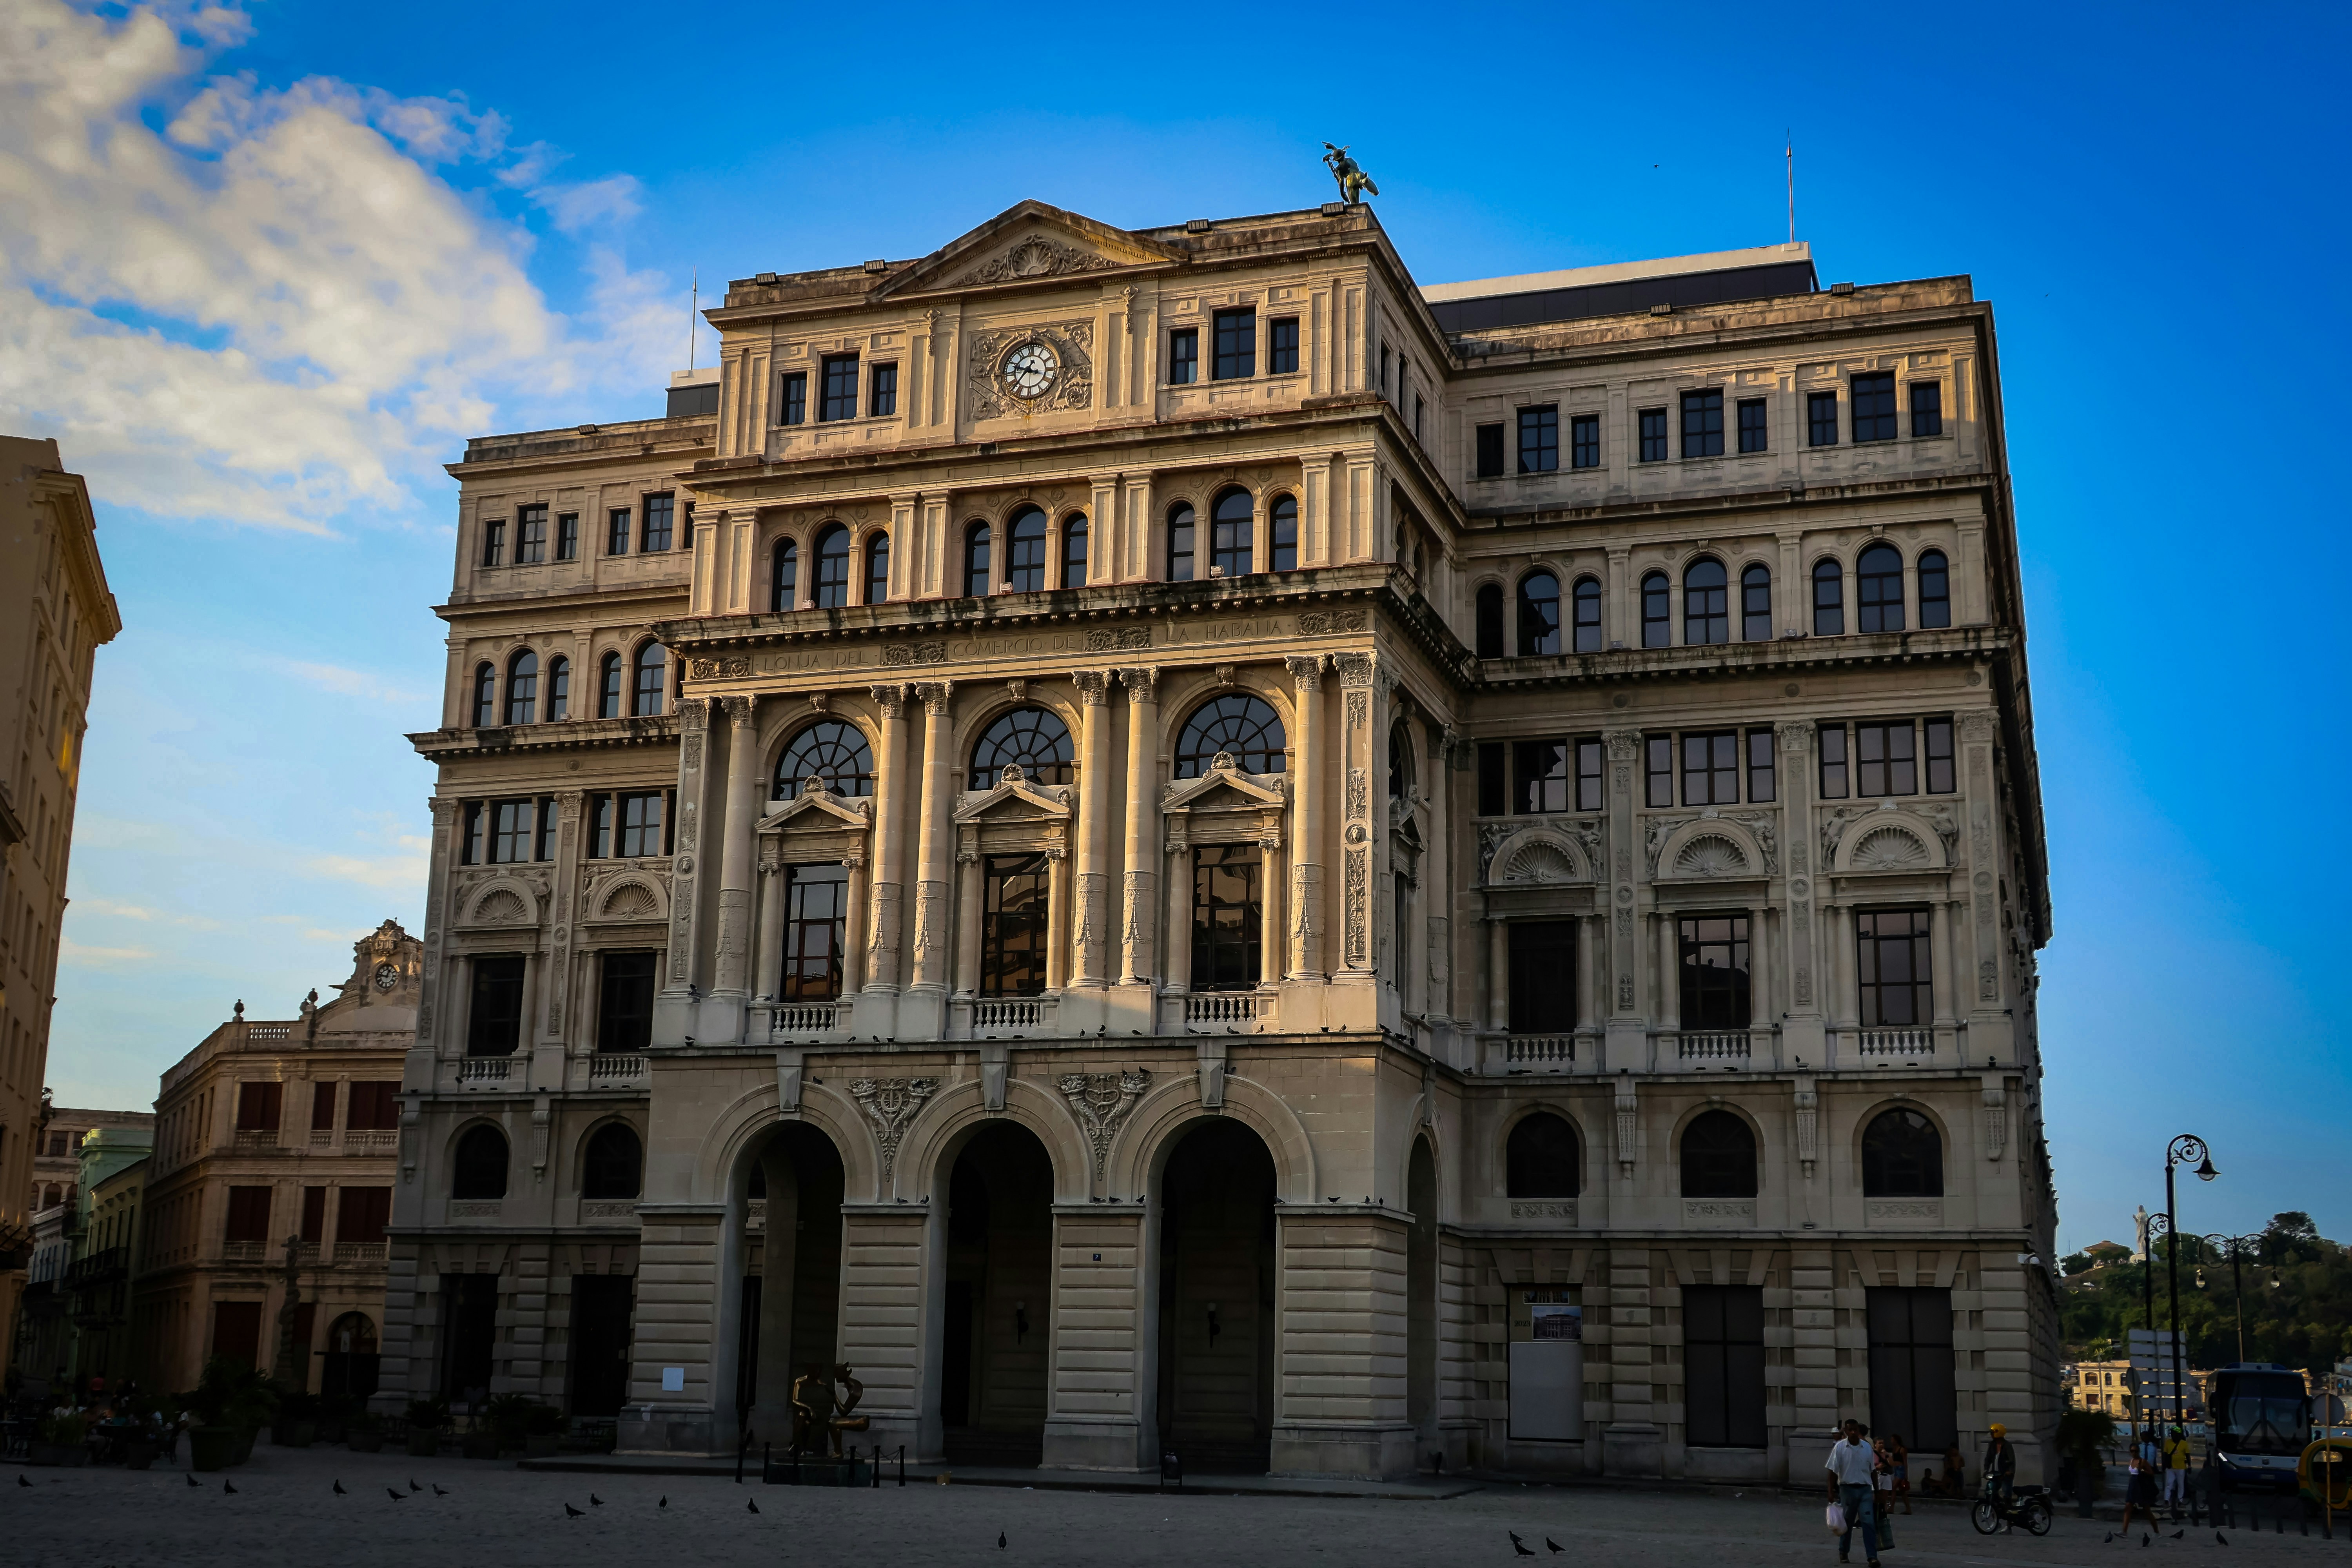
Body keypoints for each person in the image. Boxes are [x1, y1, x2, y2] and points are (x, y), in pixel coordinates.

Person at [1826, 1418, 1882, 1567]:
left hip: (1865, 1490)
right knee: (1847, 1523)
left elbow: (1873, 1471)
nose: (1853, 1432)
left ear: (1859, 1431)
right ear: (1845, 1431)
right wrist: (1830, 1491)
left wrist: (1877, 1491)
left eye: (1855, 1430)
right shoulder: (1839, 1448)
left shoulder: (1867, 1448)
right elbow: (1832, 1471)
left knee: (1869, 1523)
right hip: (1847, 1489)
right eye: (1850, 1430)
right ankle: (1844, 1551)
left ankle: (1872, 1557)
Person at [1983, 1423, 2018, 1528]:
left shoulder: (2007, 1446)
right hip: (1995, 1474)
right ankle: (1996, 1519)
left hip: (2005, 1475)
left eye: (1993, 1433)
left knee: (2007, 1497)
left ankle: (2010, 1523)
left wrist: (2010, 1471)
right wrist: (1986, 1470)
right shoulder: (1992, 1445)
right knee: (1990, 1493)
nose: (1991, 1435)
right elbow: (1988, 1458)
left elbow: (2012, 1461)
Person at [2121, 1451, 2158, 1534]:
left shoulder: (2143, 1461)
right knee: (2128, 1508)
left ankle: (2157, 1532)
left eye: (2135, 1450)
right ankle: (2124, 1531)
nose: (2134, 1453)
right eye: (2132, 1451)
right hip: (2133, 1486)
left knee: (2147, 1510)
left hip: (2141, 1487)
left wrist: (2142, 1470)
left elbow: (2151, 1473)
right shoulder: (2132, 1461)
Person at [2161, 1425, 2191, 1513]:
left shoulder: (2184, 1444)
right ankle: (2167, 1501)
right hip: (2171, 1468)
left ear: (2179, 1435)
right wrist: (2165, 1465)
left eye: (2174, 1434)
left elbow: (2188, 1455)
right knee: (2169, 1484)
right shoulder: (2168, 1442)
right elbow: (2165, 1455)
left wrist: (2189, 1466)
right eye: (2172, 1434)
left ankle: (2180, 1501)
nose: (2173, 1435)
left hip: (2181, 1468)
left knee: (2181, 1484)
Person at [1886, 1433, 1913, 1515]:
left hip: (1901, 1470)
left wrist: (1906, 1474)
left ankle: (1891, 1508)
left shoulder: (1902, 1449)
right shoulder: (1894, 1449)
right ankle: (1908, 1509)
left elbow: (1905, 1462)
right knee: (1902, 1491)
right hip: (1896, 1469)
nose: (1891, 1441)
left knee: (1894, 1487)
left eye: (1892, 1440)